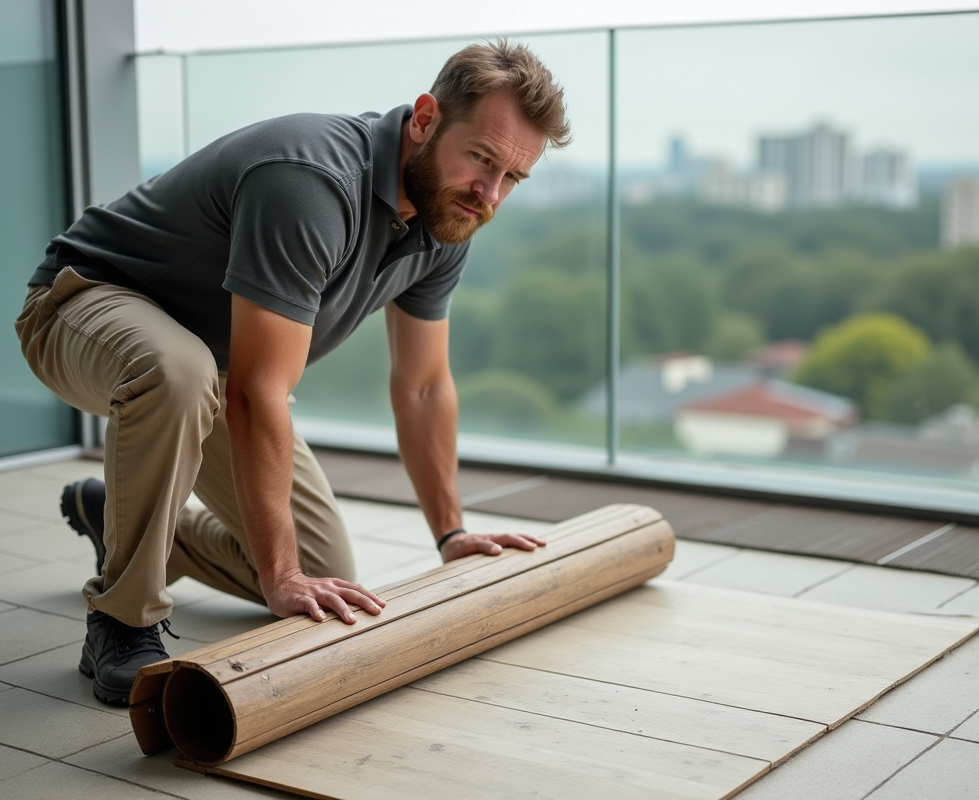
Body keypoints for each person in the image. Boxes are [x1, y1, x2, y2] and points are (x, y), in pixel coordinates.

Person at [14, 40, 570, 705]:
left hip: (215, 367)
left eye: (513, 178)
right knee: (184, 376)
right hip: (80, 306)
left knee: (327, 579)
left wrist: (451, 533)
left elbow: (422, 387)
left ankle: (120, 516)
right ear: (424, 119)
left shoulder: (446, 219)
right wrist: (279, 575)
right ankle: (123, 618)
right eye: (481, 159)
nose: (490, 195)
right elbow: (257, 391)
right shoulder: (312, 182)